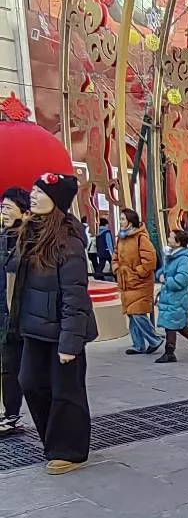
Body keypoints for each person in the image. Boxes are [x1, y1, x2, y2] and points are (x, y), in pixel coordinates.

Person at [11, 173, 97, 474]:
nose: (33, 196)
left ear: (57, 201)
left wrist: (70, 343)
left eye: (40, 192)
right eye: (33, 190)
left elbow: (75, 295)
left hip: (62, 330)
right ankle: (54, 439)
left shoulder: (68, 241)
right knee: (30, 383)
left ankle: (70, 451)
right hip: (34, 328)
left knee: (66, 392)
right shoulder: (30, 232)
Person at [0, 187, 30, 436]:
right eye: (2, 207)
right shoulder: (3, 238)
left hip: (19, 317)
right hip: (3, 312)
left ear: (25, 212)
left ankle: (12, 415)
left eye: (9, 208)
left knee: (13, 368)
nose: (4, 213)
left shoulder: (29, 242)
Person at [112, 207, 163, 355]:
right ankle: (138, 345)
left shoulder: (141, 238)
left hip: (140, 283)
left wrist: (137, 273)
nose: (121, 221)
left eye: (123, 219)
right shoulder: (121, 238)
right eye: (120, 219)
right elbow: (115, 256)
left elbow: (150, 260)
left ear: (130, 221)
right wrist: (117, 269)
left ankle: (154, 339)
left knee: (138, 313)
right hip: (126, 283)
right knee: (131, 313)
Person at [154, 229, 188, 363]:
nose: (168, 239)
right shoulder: (172, 255)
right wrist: (160, 274)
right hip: (171, 295)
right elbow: (165, 270)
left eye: (171, 237)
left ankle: (170, 352)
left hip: (178, 297)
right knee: (177, 324)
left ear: (178, 242)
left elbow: (182, 280)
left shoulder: (184, 259)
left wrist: (167, 280)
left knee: (171, 324)